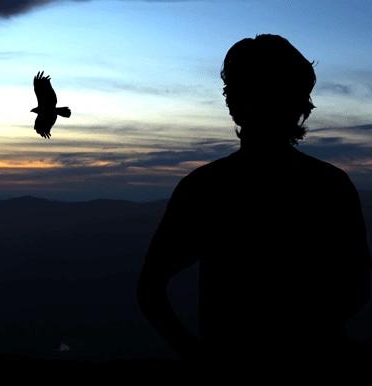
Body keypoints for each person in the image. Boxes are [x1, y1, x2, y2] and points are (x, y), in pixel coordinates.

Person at [136, 34, 371, 364]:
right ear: (301, 102)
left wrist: (197, 355)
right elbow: (357, 288)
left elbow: (150, 288)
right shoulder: (331, 186)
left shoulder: (205, 188)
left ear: (231, 102)